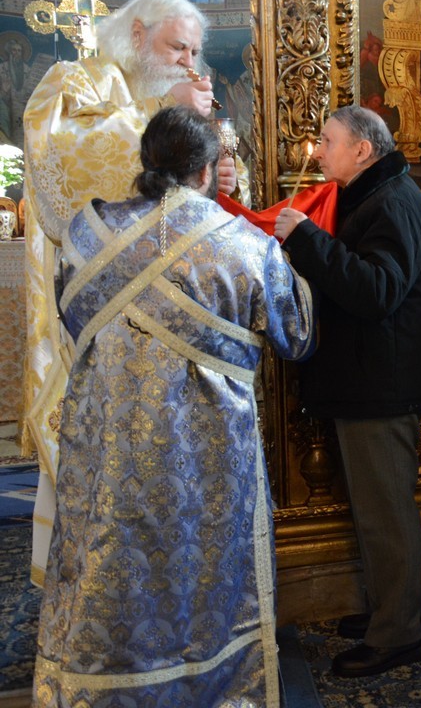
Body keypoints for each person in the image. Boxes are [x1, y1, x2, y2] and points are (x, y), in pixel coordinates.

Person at [36, 106, 315, 706]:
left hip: (108, 453)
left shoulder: (85, 235)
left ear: (146, 162)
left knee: (107, 572)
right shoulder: (245, 246)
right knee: (208, 577)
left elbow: (69, 315)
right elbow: (296, 335)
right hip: (209, 464)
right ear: (208, 169)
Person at [21, 0, 245, 585]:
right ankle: (94, 595)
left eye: (196, 51)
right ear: (138, 35)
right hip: (100, 323)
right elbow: (60, 166)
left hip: (172, 324)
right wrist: (161, 114)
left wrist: (218, 177)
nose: (189, 64)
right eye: (178, 47)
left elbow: (196, 201)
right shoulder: (74, 83)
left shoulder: (175, 98)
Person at [274, 106, 421, 676]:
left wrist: (305, 241)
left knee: (387, 513)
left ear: (363, 150)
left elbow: (376, 292)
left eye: (327, 142)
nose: (318, 152)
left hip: (383, 386)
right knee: (372, 511)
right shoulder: (371, 196)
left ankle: (399, 633)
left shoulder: (395, 202)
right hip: (366, 379)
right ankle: (387, 611)